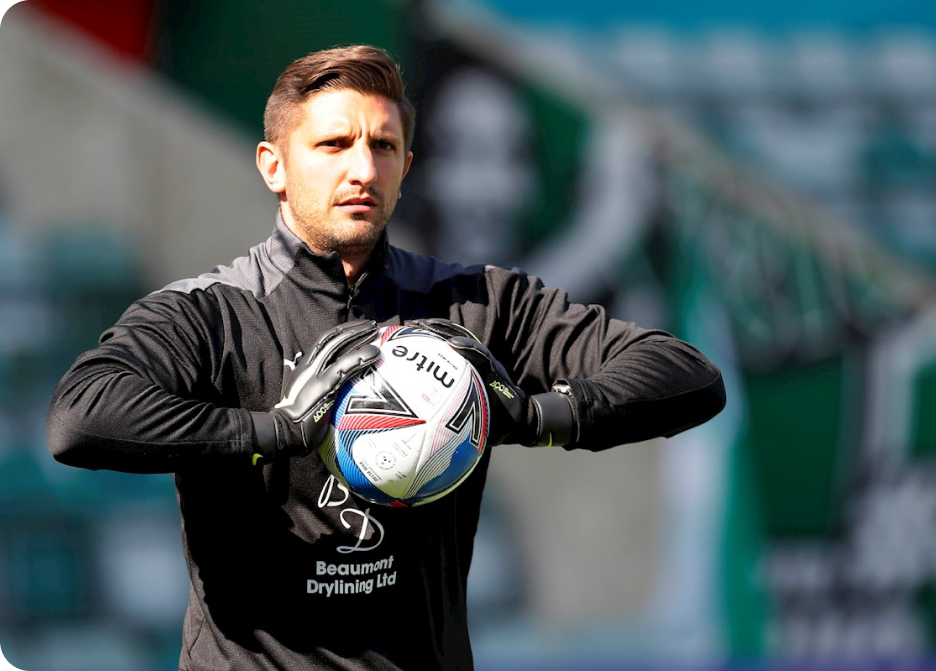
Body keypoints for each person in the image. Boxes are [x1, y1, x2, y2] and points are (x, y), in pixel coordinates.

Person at [46, 45, 726, 671]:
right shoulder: (209, 313)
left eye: (384, 146)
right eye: (334, 144)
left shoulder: (475, 304)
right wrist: (274, 431)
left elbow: (687, 375)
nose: (362, 168)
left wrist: (527, 415)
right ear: (273, 165)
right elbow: (79, 417)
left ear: (406, 166)